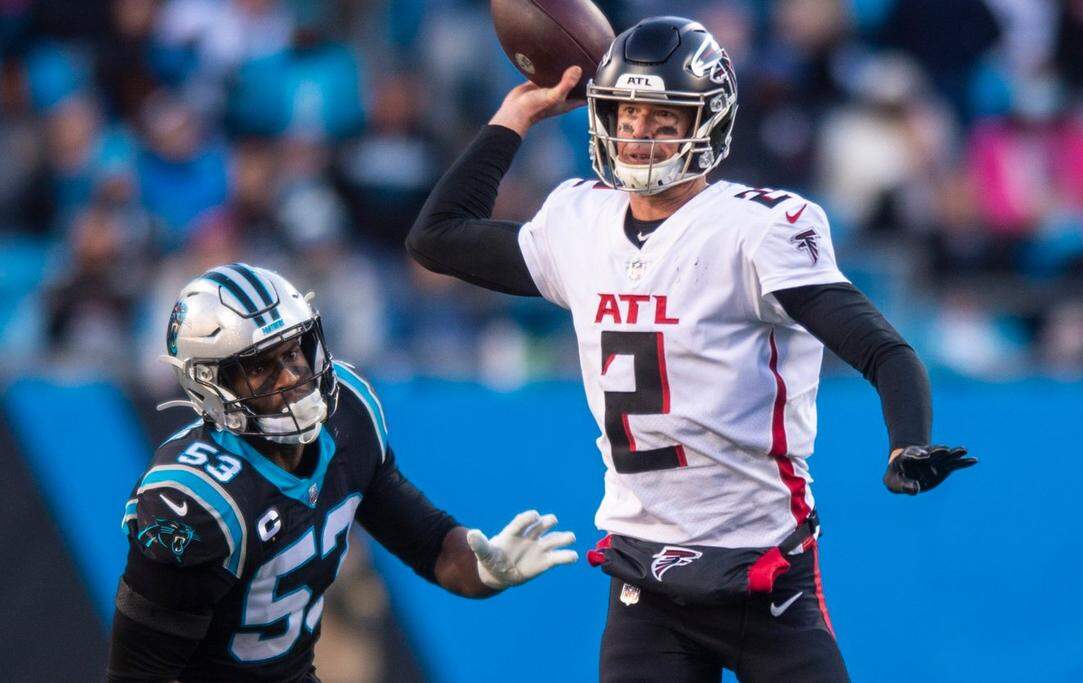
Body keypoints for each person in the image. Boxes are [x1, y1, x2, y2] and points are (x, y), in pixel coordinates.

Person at [407, 16, 976, 683]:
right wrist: (516, 114)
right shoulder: (580, 222)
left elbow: (884, 351)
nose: (640, 134)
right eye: (627, 113)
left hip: (764, 572)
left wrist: (907, 439)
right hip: (646, 581)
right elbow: (437, 237)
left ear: (707, 125)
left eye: (663, 118)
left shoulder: (757, 230)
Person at [107, 263, 577, 682]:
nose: (290, 376)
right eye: (259, 368)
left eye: (293, 351)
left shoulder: (347, 412)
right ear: (209, 384)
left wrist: (484, 570)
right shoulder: (194, 499)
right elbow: (139, 672)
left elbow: (429, 545)